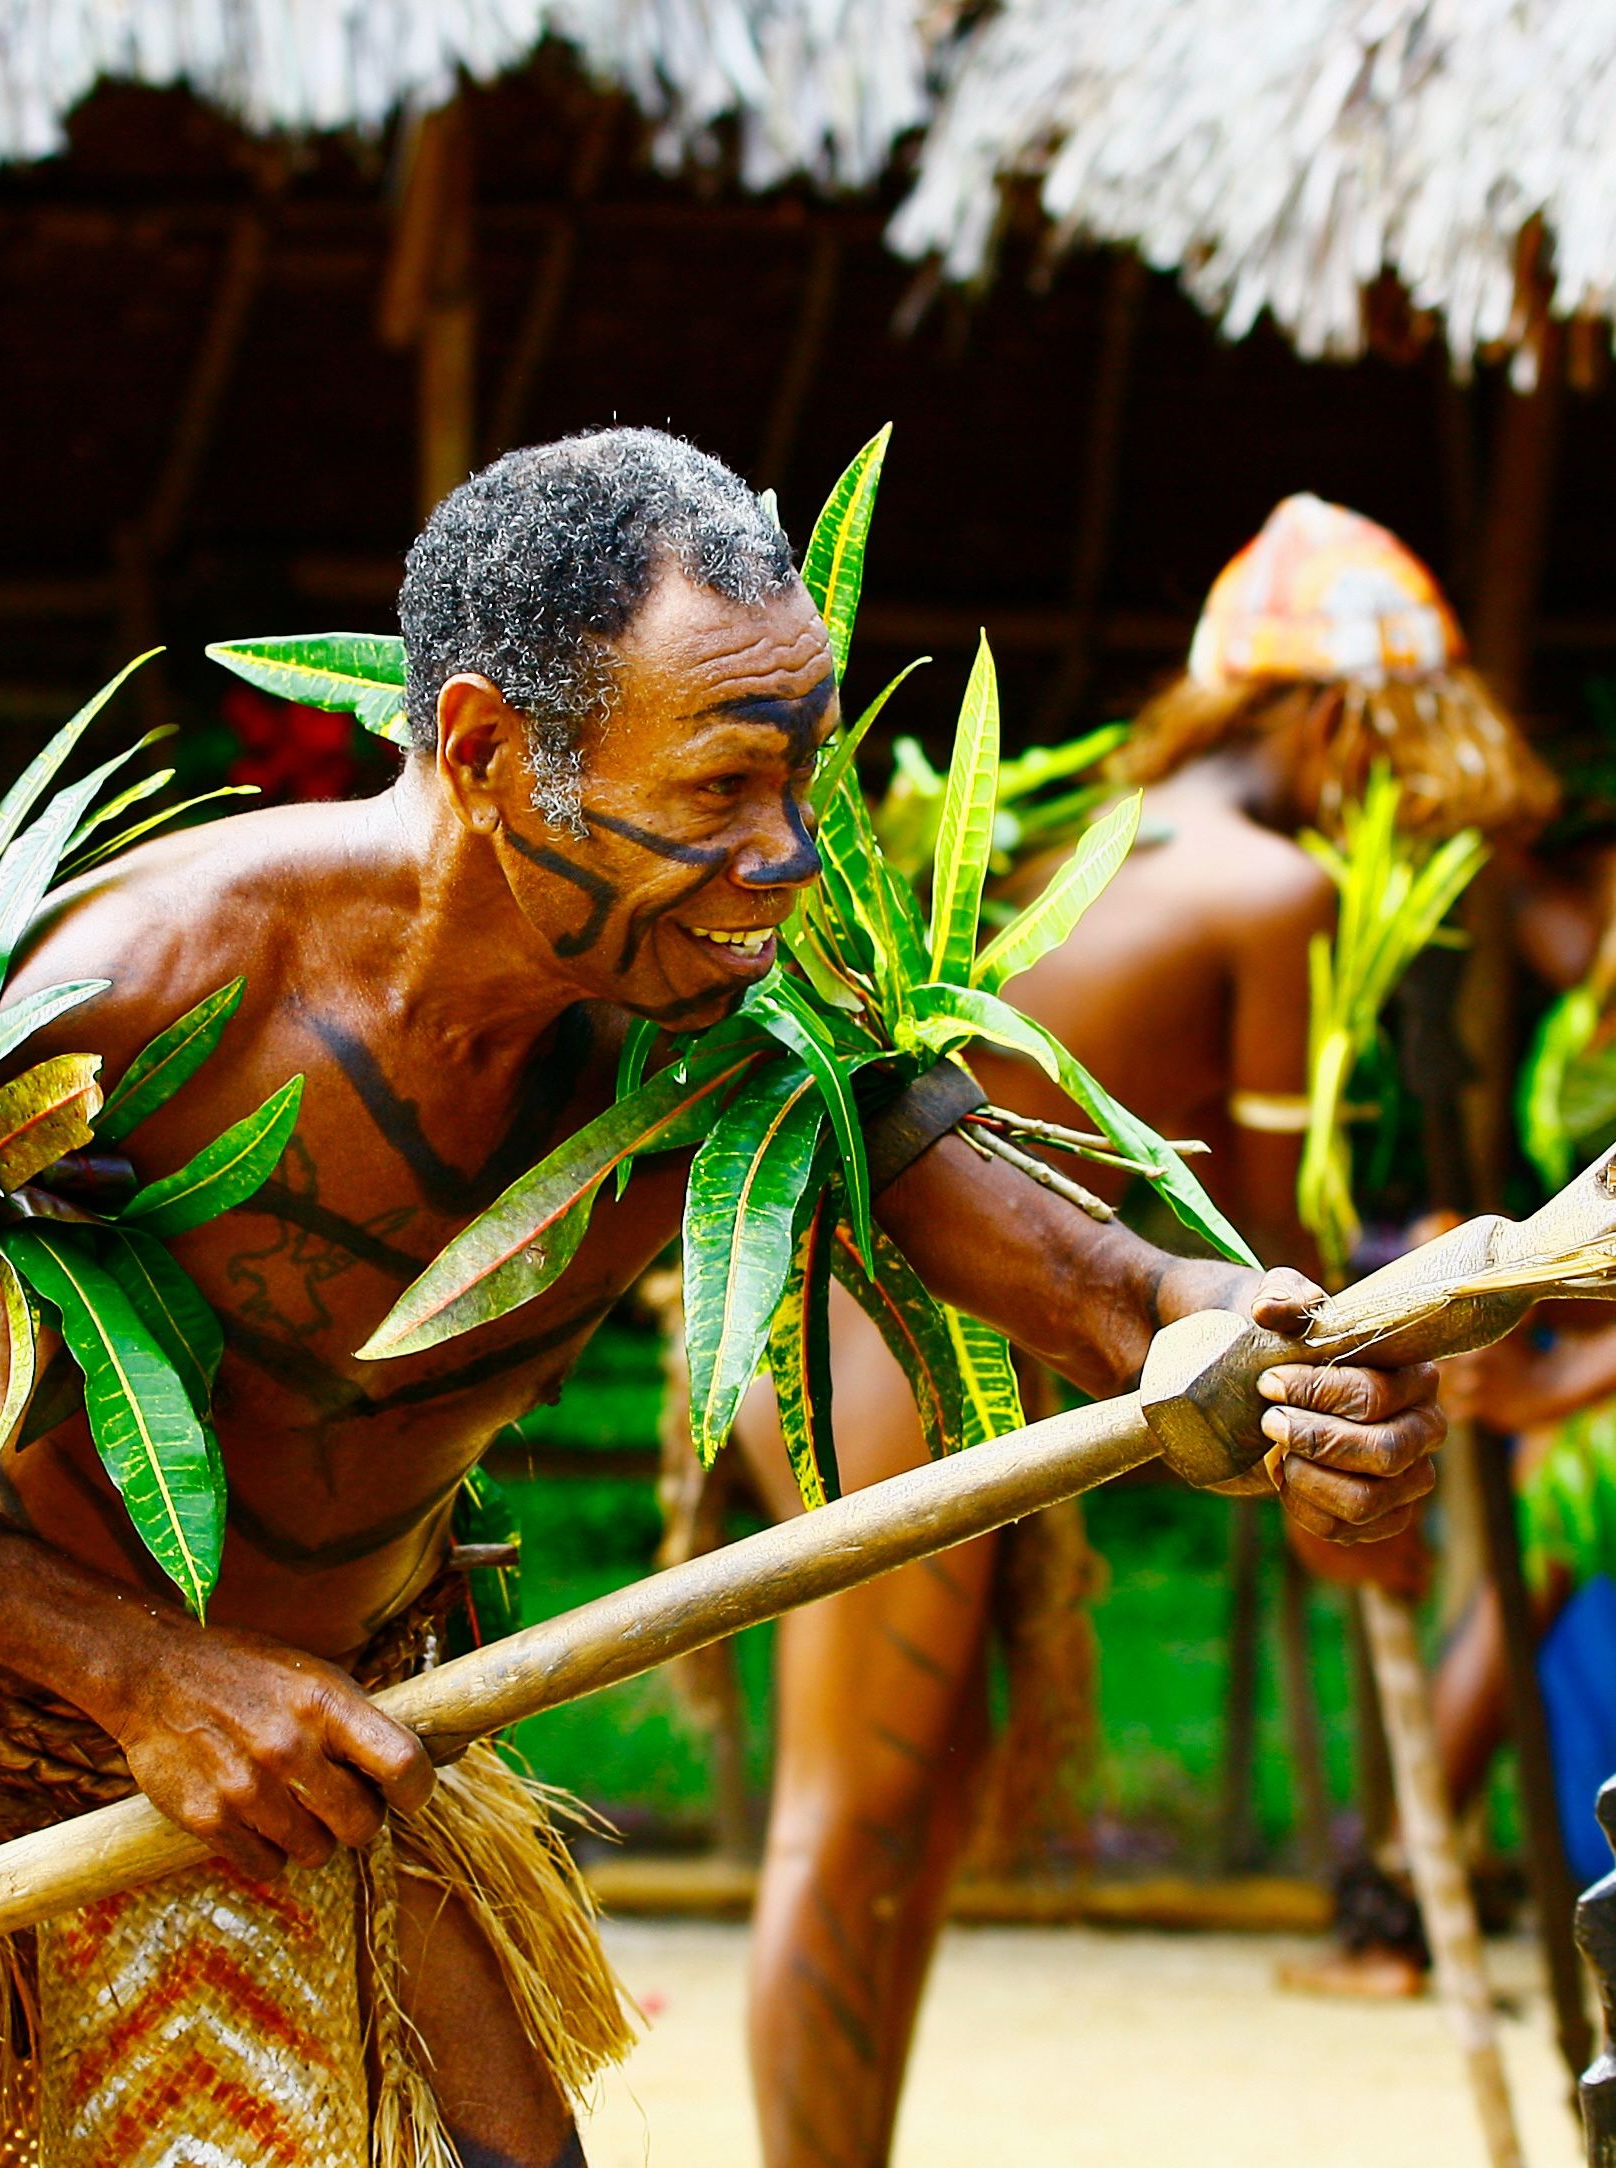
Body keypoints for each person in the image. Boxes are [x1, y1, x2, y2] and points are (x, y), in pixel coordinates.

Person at [0, 438, 1446, 2168]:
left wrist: (1271, 1372)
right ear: (479, 750)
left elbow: (1118, 1297)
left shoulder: (713, 1041)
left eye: (795, 779)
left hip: (339, 1776)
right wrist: (146, 1678)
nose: (784, 860)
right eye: (716, 787)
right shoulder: (138, 993)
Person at [731, 492, 1553, 2167]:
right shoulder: (1272, 890)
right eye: (1392, 762)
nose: (1393, 810)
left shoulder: (1122, 838)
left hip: (873, 1329)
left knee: (911, 1812)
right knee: (850, 1821)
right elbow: (1269, 1250)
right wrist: (1352, 1468)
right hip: (898, 1336)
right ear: (1330, 721)